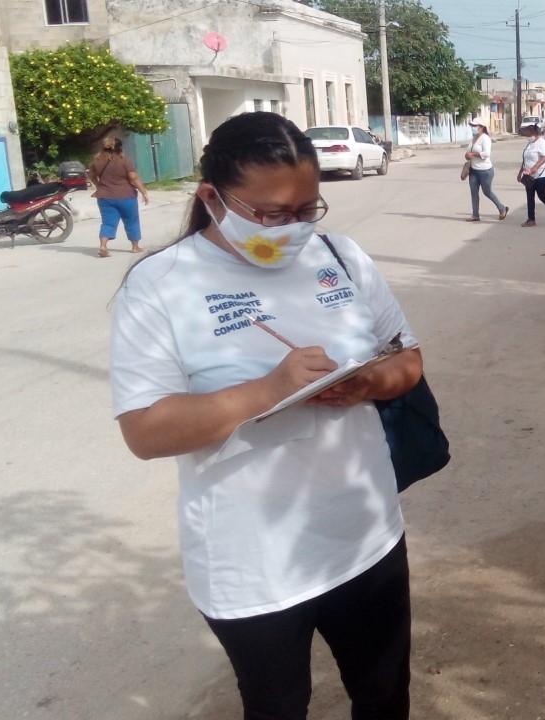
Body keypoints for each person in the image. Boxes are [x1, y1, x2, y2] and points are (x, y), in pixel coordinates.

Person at [109, 112, 421, 720]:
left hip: (365, 535)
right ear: (212, 198)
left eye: (307, 209)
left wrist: (364, 383)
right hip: (253, 562)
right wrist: (266, 391)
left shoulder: (340, 255)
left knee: (384, 696)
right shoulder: (161, 284)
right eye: (272, 214)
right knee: (277, 707)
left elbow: (408, 361)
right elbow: (144, 432)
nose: (294, 227)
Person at [89, 137, 150, 257]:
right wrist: (144, 192)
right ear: (120, 148)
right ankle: (135, 247)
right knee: (132, 221)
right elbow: (133, 177)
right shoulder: (124, 161)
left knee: (108, 223)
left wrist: (99, 185)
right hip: (126, 196)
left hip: (105, 197)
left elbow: (91, 176)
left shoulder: (96, 161)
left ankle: (103, 246)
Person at [464, 121, 509, 222]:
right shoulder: (473, 138)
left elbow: (486, 153)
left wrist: (473, 154)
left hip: (485, 171)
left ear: (481, 127)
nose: (473, 128)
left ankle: (502, 208)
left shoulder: (485, 138)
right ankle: (475, 215)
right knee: (474, 192)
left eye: (474, 126)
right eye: (472, 126)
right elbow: (469, 151)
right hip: (473, 170)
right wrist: (467, 155)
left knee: (487, 192)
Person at [517, 123, 545, 227]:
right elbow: (525, 160)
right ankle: (531, 219)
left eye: (528, 134)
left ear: (534, 133)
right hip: (529, 175)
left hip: (541, 175)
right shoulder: (529, 144)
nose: (527, 136)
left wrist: (535, 167)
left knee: (542, 196)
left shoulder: (542, 143)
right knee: (530, 198)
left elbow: (544, 157)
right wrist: (520, 172)